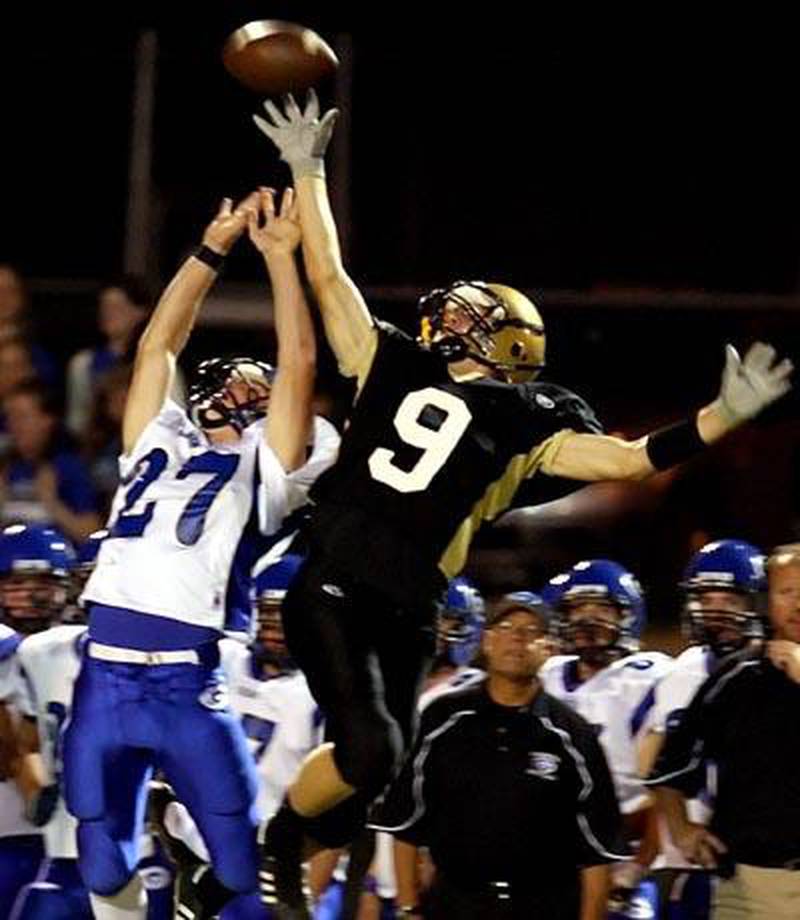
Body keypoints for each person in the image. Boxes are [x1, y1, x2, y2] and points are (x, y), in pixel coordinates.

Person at [249, 90, 794, 916]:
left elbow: (628, 458)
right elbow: (328, 273)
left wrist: (718, 419)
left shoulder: (525, 420)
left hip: (411, 601)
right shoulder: (391, 359)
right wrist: (307, 167)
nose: (466, 316)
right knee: (372, 749)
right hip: (337, 572)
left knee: (384, 766)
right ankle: (280, 843)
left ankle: (280, 860)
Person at [61, 188, 339, 920]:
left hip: (189, 685)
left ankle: (198, 876)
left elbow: (300, 355)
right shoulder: (159, 440)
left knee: (242, 870)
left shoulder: (265, 470)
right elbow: (158, 344)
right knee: (101, 861)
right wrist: (210, 251)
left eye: (263, 388)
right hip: (106, 672)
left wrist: (281, 260)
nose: (249, 388)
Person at [371, 596, 626, 919]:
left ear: (549, 648)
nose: (518, 638)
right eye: (506, 628)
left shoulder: (573, 735)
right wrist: (408, 909)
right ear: (487, 642)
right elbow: (406, 820)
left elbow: (597, 851)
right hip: (457, 903)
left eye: (531, 631)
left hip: (545, 905)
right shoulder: (442, 718)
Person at [645, 542, 800, 919]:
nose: (799, 603)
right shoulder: (735, 678)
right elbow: (669, 767)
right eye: (787, 591)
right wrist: (682, 829)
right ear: (765, 602)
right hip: (754, 887)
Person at [0, 381, 102, 543]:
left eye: (22, 417)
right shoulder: (7, 467)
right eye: (10, 418)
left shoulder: (69, 468)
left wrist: (52, 503)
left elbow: (92, 534)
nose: (14, 426)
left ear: (46, 421)